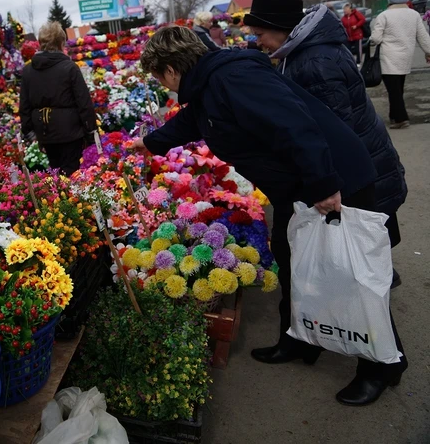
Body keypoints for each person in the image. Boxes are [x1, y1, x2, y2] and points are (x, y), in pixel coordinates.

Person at [131, 26, 407, 406]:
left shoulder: (233, 78)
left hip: (334, 178)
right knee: (292, 261)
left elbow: (294, 125)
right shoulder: (210, 86)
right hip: (299, 185)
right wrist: (149, 143)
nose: (163, 85)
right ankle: (300, 338)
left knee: (350, 273)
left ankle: (382, 364)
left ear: (171, 69)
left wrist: (324, 184)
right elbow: (193, 121)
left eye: (159, 76)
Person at [244, 0, 407, 289]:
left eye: (260, 34)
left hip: (358, 165)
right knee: (367, 239)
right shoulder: (305, 49)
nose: (258, 42)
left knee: (361, 240)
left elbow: (333, 131)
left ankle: (373, 292)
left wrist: (324, 181)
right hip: (366, 157)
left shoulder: (314, 61)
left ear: (279, 27)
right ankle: (377, 279)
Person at [20, 22, 97, 176]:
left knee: (55, 173)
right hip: (70, 133)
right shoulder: (69, 68)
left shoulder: (28, 71)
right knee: (72, 174)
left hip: (45, 132)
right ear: (61, 43)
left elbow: (24, 106)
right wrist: (91, 133)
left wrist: (30, 133)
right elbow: (84, 103)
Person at [370, 0, 430, 129]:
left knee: (393, 90)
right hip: (405, 57)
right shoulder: (414, 15)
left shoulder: (384, 15)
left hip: (388, 58)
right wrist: (428, 52)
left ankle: (401, 119)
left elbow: (376, 38)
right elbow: (423, 36)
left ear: (390, 1)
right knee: (398, 89)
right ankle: (393, 116)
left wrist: (372, 40)